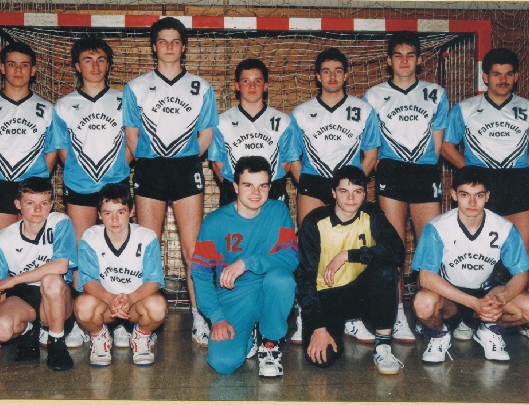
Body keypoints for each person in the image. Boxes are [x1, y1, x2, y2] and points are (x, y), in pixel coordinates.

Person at [441, 47, 529, 341]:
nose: (502, 80)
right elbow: (447, 147)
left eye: (508, 74)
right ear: (485, 77)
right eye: (496, 74)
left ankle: (524, 320)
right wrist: (474, 175)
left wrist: (515, 169)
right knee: (475, 253)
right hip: (480, 190)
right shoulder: (465, 109)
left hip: (517, 186)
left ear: (516, 77)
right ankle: (469, 317)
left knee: (523, 254)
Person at [123, 17, 218, 347]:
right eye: (162, 41)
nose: (169, 47)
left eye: (175, 41)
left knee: (193, 251)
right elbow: (131, 136)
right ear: (154, 46)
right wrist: (153, 160)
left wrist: (185, 158)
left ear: (183, 46)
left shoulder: (201, 87)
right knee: (147, 248)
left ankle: (199, 316)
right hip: (149, 169)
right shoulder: (136, 87)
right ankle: (142, 321)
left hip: (185, 169)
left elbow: (206, 135)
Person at [288, 47, 381, 344]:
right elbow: (292, 156)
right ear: (317, 76)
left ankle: (350, 316)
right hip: (313, 184)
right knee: (310, 251)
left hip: (347, 186)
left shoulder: (363, 110)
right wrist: (307, 183)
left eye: (338, 71)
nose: (332, 76)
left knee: (350, 248)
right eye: (326, 71)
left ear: (346, 75)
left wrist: (353, 187)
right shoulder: (301, 112)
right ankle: (306, 314)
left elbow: (371, 154)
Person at [363, 31, 449, 344]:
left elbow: (437, 145)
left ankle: (431, 313)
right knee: (394, 250)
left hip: (424, 172)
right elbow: (370, 144)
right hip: (391, 172)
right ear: (388, 61)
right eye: (397, 55)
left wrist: (425, 167)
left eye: (410, 55)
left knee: (431, 250)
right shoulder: (373, 95)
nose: (404, 61)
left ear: (419, 60)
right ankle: (397, 315)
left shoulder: (435, 93)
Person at [411, 166, 529, 363]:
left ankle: (489, 329)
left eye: (479, 195)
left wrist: (500, 299)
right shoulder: (437, 228)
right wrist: (472, 303)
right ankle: (439, 335)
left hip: (487, 295)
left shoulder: (504, 228)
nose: (472, 203)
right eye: (465, 195)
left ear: (487, 196)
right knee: (423, 303)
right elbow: (426, 278)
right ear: (454, 195)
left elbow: (522, 275)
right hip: (450, 297)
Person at [53, 34, 132, 348]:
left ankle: (121, 322)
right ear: (77, 66)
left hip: (116, 185)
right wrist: (81, 176)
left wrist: (117, 172)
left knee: (120, 251)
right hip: (80, 186)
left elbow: (132, 143)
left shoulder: (124, 100)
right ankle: (79, 322)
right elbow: (62, 151)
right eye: (88, 59)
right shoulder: (64, 105)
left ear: (109, 65)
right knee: (81, 252)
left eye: (101, 59)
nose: (95, 65)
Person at [191, 157, 298, 377]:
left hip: (269, 287)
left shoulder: (278, 212)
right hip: (234, 296)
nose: (256, 193)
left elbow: (291, 257)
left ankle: (269, 343)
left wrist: (247, 263)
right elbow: (200, 275)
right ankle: (248, 335)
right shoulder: (214, 223)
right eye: (248, 185)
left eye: (263, 186)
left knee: (282, 280)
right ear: (235, 187)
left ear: (270, 187)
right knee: (222, 363)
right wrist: (217, 317)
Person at [296, 166, 405, 374]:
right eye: (344, 191)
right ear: (333, 193)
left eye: (357, 191)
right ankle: (335, 327)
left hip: (361, 294)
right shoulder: (315, 221)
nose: (351, 198)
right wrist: (318, 326)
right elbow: (304, 278)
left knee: (386, 270)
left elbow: (397, 251)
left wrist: (348, 255)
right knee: (322, 358)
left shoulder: (372, 214)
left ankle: (383, 347)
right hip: (326, 297)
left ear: (364, 194)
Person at [0, 177, 77, 372]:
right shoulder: (3, 239)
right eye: (30, 203)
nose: (37, 209)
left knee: (51, 280)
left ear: (51, 205)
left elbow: (61, 265)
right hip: (23, 299)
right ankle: (30, 331)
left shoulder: (60, 222)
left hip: (57, 299)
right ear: (18, 204)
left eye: (43, 203)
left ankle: (57, 342)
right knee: (0, 328)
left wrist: (15, 279)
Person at [0, 42, 56, 242]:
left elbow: (52, 151)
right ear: (2, 68)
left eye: (24, 65)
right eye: (12, 64)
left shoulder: (48, 109)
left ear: (33, 70)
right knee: (1, 248)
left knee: (35, 250)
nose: (18, 70)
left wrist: (38, 181)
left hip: (35, 187)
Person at [73, 184, 167, 366]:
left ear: (131, 212)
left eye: (121, 212)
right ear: (99, 215)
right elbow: (88, 280)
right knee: (83, 306)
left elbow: (154, 281)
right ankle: (99, 337)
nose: (114, 219)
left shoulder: (146, 237)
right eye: (108, 213)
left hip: (135, 304)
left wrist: (131, 299)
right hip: (105, 304)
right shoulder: (90, 237)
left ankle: (141, 336)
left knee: (157, 307)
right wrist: (109, 298)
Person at [208, 58, 299, 206]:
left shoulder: (283, 121)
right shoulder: (221, 122)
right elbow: (217, 162)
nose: (252, 86)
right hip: (234, 191)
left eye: (257, 81)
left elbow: (287, 161)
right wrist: (236, 186)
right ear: (237, 86)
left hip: (272, 191)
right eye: (246, 81)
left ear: (266, 86)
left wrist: (265, 185)